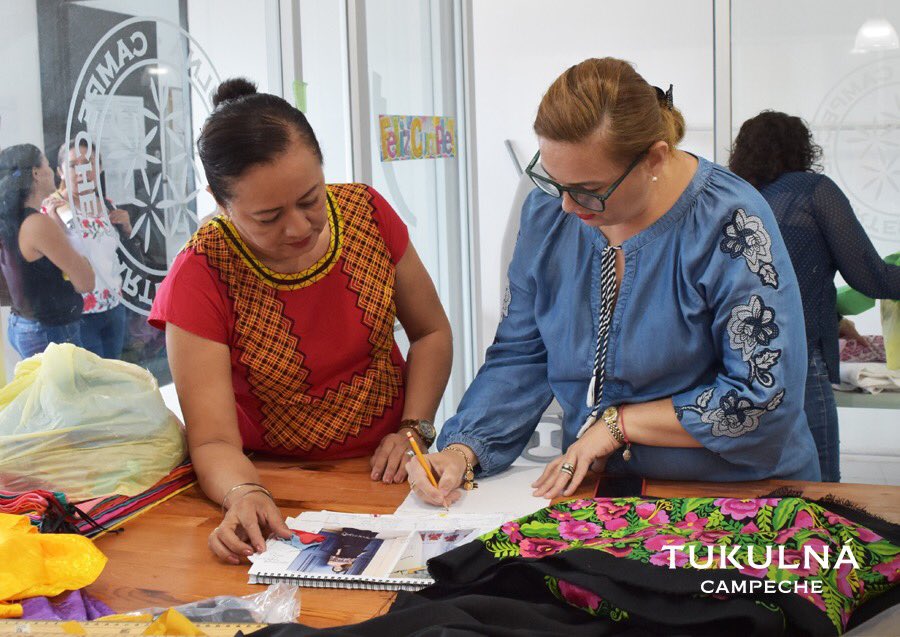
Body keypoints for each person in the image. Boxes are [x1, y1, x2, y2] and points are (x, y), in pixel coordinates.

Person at [407, 57, 821, 507]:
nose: (566, 206)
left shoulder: (730, 223)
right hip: (602, 495)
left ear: (654, 159)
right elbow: (521, 353)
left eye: (588, 189)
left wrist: (618, 425)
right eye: (552, 180)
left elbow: (763, 398)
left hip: (736, 493)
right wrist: (463, 449)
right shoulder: (548, 215)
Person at [149, 78, 452, 564]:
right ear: (220, 202)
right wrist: (244, 492)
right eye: (267, 217)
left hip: (392, 468)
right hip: (276, 483)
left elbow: (432, 333)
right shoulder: (201, 274)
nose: (298, 227)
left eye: (309, 199)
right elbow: (211, 439)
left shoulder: (365, 213)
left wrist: (415, 427)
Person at [729, 111, 900, 482]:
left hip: (736, 364)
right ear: (802, 148)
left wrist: (836, 321)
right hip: (798, 357)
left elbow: (770, 282)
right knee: (819, 485)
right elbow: (871, 277)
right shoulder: (813, 192)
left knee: (757, 485)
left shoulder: (737, 199)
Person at [0, 144, 94, 358]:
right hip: (50, 331)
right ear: (36, 173)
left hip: (23, 323)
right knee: (68, 392)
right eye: (48, 164)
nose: (52, 171)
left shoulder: (11, 221)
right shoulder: (37, 224)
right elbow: (86, 282)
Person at [42, 140, 132, 359]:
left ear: (99, 168)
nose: (83, 171)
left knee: (114, 376)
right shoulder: (51, 207)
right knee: (91, 384)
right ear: (60, 171)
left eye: (89, 163)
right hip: (79, 313)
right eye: (74, 165)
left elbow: (117, 250)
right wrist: (56, 225)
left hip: (114, 304)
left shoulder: (106, 202)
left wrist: (127, 226)